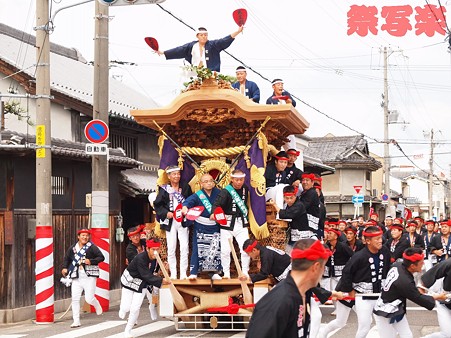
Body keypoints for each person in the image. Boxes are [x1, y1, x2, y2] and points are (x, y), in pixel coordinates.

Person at [246, 239, 332, 338]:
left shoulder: (303, 293)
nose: (323, 272)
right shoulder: (279, 301)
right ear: (316, 267)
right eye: (323, 267)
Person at [319, 226, 391, 338]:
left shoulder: (384, 252)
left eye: (380, 238)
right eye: (376, 239)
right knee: (341, 322)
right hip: (354, 293)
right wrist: (349, 290)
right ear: (367, 241)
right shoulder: (359, 256)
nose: (380, 241)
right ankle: (322, 334)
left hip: (373, 295)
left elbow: (387, 269)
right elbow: (346, 273)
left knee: (371, 323)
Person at [373, 247, 447, 338]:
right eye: (421, 263)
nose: (423, 264)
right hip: (384, 312)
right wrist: (438, 297)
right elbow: (418, 298)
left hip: (397, 309)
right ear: (412, 266)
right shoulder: (405, 282)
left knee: (407, 335)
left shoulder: (398, 265)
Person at [119, 238, 170, 338]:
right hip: (130, 281)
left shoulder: (157, 257)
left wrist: (164, 268)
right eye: (153, 249)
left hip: (142, 284)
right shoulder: (140, 258)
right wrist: (161, 281)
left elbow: (156, 270)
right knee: (126, 307)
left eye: (157, 249)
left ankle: (127, 330)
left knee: (135, 308)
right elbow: (146, 275)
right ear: (147, 248)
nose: (155, 252)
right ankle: (123, 309)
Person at [153, 165, 193, 279]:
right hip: (170, 221)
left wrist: (187, 209)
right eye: (174, 174)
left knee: (184, 247)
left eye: (178, 174)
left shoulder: (185, 187)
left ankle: (183, 273)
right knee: (171, 248)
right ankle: (174, 274)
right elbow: (158, 204)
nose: (177, 176)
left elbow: (191, 201)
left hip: (183, 220)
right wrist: (166, 213)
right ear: (169, 176)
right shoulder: (164, 189)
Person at [211, 169, 251, 279]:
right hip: (227, 223)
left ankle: (245, 272)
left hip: (241, 222)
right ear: (231, 179)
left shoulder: (245, 189)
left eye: (241, 180)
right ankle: (226, 273)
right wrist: (214, 213)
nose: (239, 182)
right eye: (236, 180)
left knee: (245, 248)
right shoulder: (225, 191)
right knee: (225, 250)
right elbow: (217, 205)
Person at [61, 228, 104, 328]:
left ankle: (96, 304)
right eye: (83, 235)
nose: (85, 237)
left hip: (89, 276)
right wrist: (64, 268)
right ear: (78, 237)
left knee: (89, 299)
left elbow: (101, 257)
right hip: (76, 276)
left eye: (87, 235)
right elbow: (66, 259)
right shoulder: (73, 248)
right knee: (75, 299)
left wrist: (91, 261)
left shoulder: (92, 247)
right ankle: (76, 320)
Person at [182, 173, 222, 280]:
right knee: (197, 248)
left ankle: (214, 272)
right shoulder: (197, 195)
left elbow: (225, 205)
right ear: (200, 184)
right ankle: (193, 272)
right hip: (200, 225)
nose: (209, 183)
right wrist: (185, 207)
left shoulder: (219, 193)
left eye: (211, 181)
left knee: (215, 248)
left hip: (214, 225)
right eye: (206, 181)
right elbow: (188, 202)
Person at [156, 26, 243, 72]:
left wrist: (238, 31)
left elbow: (224, 40)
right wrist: (163, 52)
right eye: (201, 35)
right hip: (195, 74)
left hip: (212, 74)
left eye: (205, 35)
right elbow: (179, 50)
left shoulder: (213, 45)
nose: (204, 37)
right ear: (197, 36)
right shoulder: (191, 46)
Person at [420, 251, 451, 338]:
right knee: (447, 334)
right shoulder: (449, 263)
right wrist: (421, 288)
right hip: (444, 302)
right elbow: (434, 272)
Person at [269, 185, 310, 250]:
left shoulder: (299, 205)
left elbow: (286, 214)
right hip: (293, 235)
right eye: (287, 198)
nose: (289, 200)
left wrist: (274, 205)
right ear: (283, 197)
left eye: (291, 198)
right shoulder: (287, 205)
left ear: (295, 196)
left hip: (301, 237)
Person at [321, 228, 354, 296]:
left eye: (330, 233)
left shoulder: (343, 246)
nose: (328, 235)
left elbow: (353, 256)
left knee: (339, 290)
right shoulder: (326, 246)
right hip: (329, 273)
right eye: (328, 233)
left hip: (340, 273)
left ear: (336, 236)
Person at [299, 173, 320, 239]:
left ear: (312, 182)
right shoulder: (305, 193)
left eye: (307, 180)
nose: (305, 182)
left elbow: (302, 207)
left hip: (308, 227)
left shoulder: (311, 193)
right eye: (303, 180)